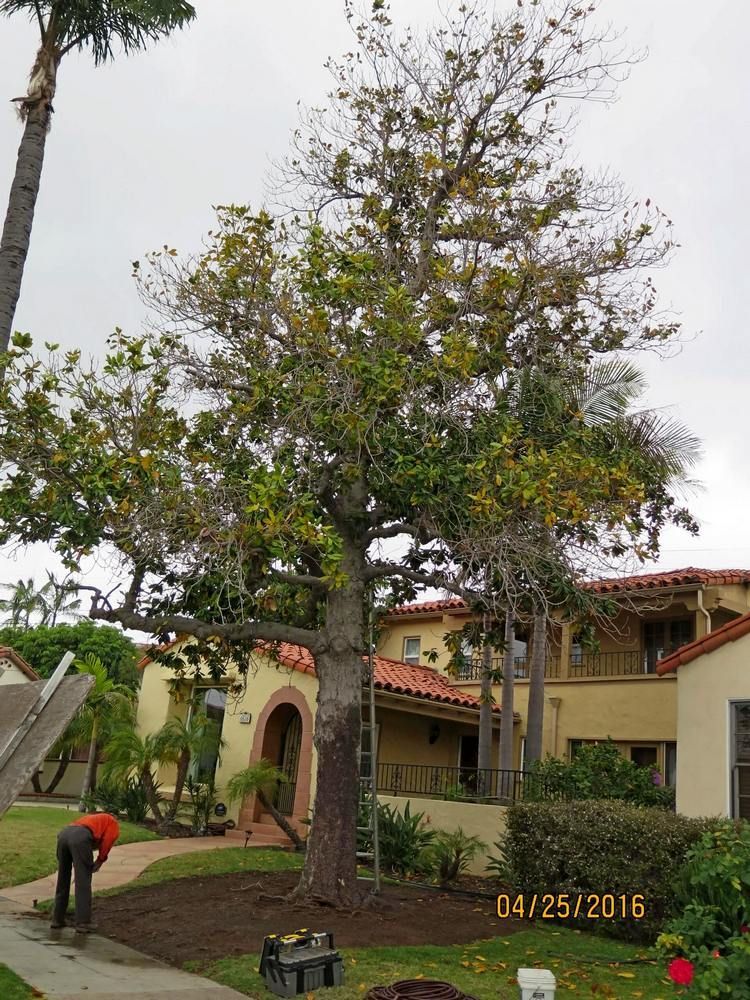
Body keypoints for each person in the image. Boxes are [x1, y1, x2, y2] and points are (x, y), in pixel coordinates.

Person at [51, 812, 120, 932]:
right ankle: (83, 922)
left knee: (63, 878)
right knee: (83, 882)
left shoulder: (92, 818)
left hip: (63, 835)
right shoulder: (112, 821)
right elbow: (108, 840)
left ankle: (57, 919)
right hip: (80, 838)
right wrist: (100, 860)